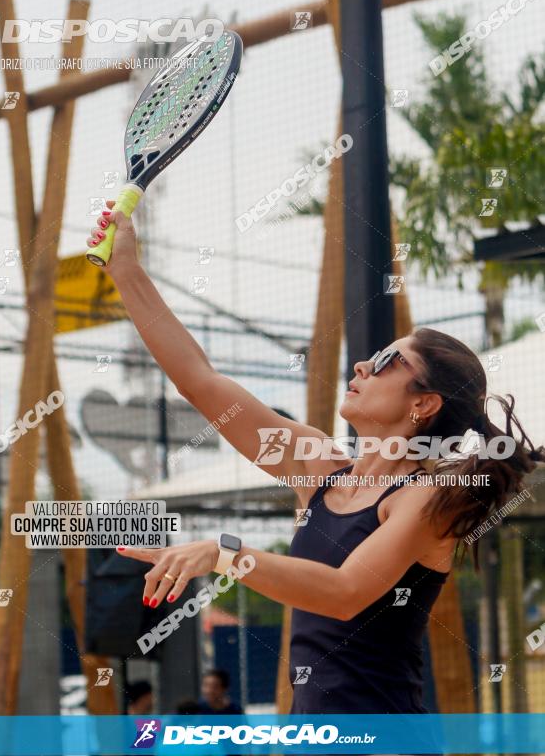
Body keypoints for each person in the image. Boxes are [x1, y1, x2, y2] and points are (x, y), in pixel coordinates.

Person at [88, 206, 543, 716]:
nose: (363, 364)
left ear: (424, 403)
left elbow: (344, 592)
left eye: (389, 361)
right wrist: (126, 270)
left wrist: (224, 552)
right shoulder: (318, 466)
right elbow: (200, 382)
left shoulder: (424, 497)